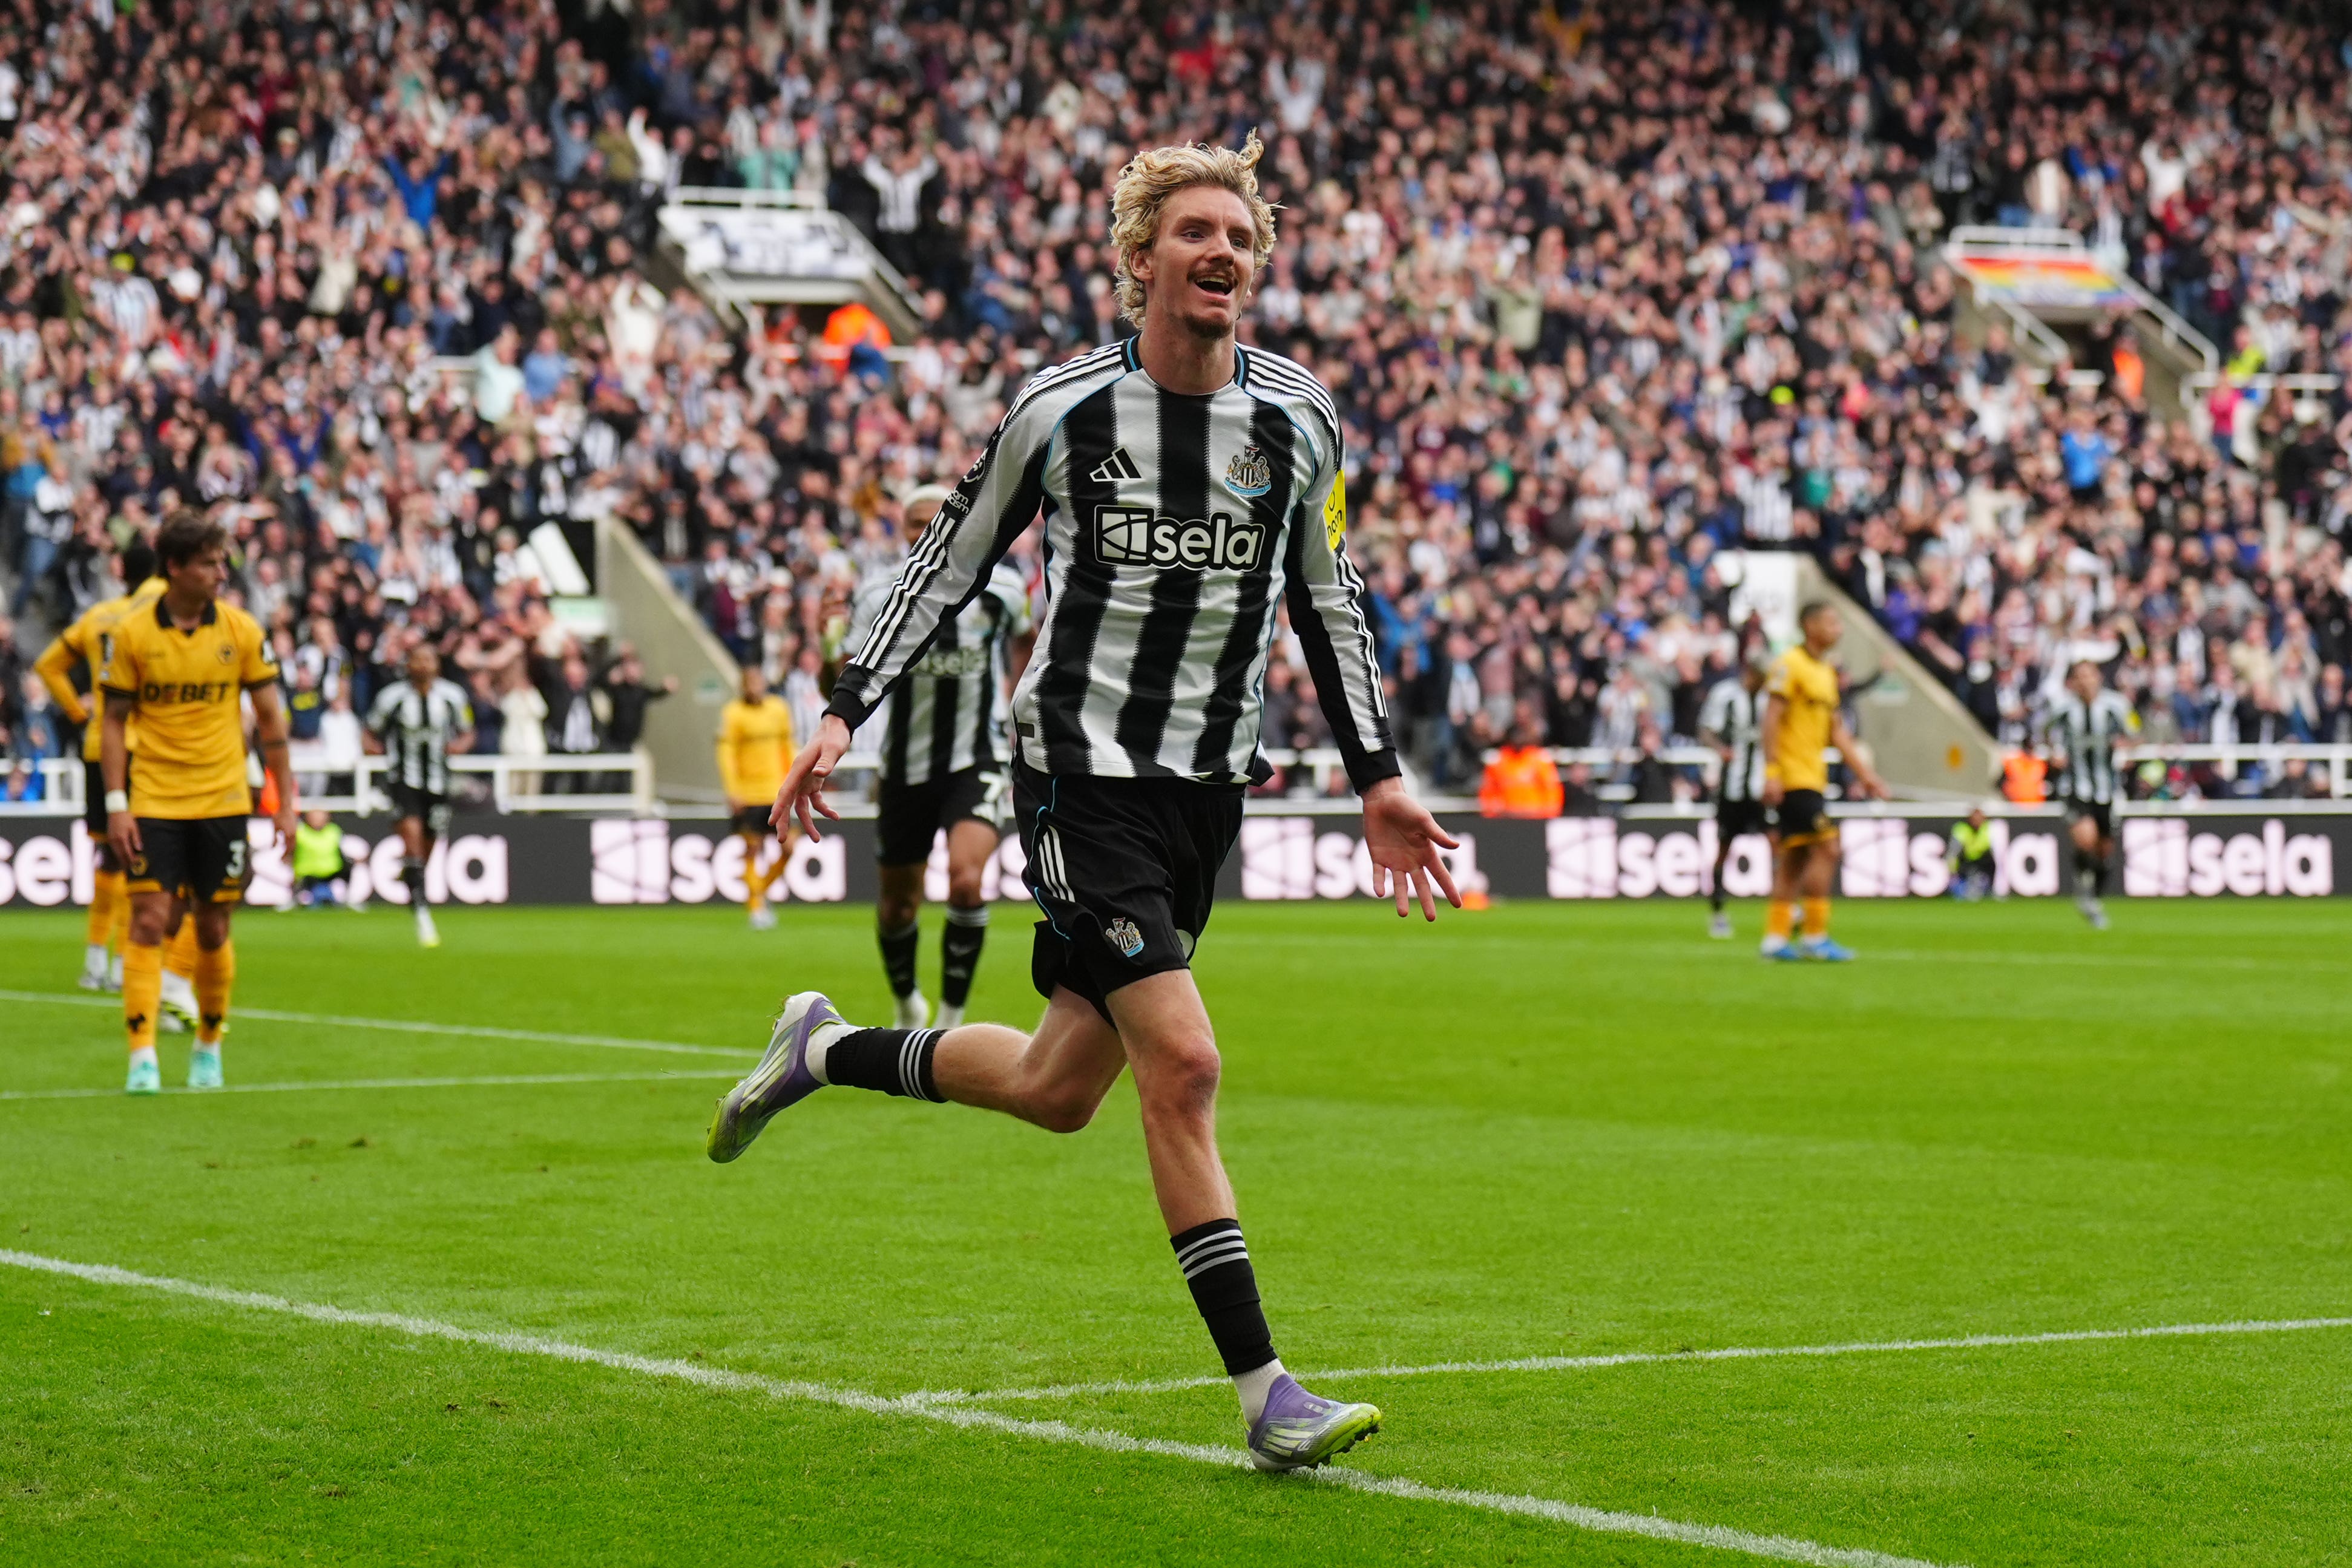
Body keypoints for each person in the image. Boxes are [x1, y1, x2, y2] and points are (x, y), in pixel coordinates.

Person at [708, 133, 1462, 1473]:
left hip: (1203, 793)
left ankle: (820, 1047)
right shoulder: (1058, 411)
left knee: (1061, 1088)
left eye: (1238, 233)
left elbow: (1324, 597)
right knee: (1185, 1064)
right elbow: (943, 564)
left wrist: (1378, 774)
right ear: (1138, 260)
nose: (1221, 250)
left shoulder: (1296, 418)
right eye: (1193, 233)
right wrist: (840, 709)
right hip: (1075, 776)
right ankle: (1265, 1391)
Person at [99, 510, 296, 1094]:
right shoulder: (133, 635)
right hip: (155, 797)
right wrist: (116, 802)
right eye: (209, 563)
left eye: (221, 560)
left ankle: (209, 1046)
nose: (220, 572)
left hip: (223, 798)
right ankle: (142, 1057)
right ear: (175, 567)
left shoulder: (240, 630)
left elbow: (269, 718)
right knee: (149, 919)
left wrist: (284, 798)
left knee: (212, 928)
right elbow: (112, 721)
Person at [832, 481, 1032, 1026]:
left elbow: (1027, 638)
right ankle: (905, 1002)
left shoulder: (1001, 588)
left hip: (978, 756)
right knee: (899, 902)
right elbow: (848, 665)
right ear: (902, 530)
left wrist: (1020, 696)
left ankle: (950, 1015)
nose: (925, 532)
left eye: (933, 521)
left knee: (967, 879)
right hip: (903, 765)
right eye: (914, 524)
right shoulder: (878, 592)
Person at [32, 537, 163, 992]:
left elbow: (48, 664)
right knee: (138, 857)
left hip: (97, 745)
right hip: (142, 742)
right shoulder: (154, 611)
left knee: (109, 855)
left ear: (120, 570)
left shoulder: (98, 616)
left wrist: (78, 710)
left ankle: (94, 962)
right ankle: (128, 957)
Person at [1759, 602, 1888, 961]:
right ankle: (1815, 935)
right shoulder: (1790, 665)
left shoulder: (1826, 672)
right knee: (1829, 847)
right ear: (1810, 626)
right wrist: (1771, 772)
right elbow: (1771, 720)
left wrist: (1867, 776)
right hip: (1792, 777)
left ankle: (1775, 938)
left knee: (1796, 858)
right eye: (1832, 622)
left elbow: (1837, 733)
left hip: (1813, 777)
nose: (1839, 629)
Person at [365, 642, 475, 948]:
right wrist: (373, 749)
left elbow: (468, 730)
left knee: (429, 844)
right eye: (419, 659)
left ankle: (412, 878)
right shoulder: (393, 698)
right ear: (409, 665)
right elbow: (370, 730)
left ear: (437, 665)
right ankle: (422, 910)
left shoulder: (452, 696)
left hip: (439, 782)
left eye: (430, 659)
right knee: (412, 835)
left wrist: (461, 745)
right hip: (404, 780)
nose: (424, 665)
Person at [2044, 659, 2137, 929]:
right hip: (2075, 787)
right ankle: (2082, 884)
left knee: (2105, 850)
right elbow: (2043, 732)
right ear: (2073, 681)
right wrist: (2053, 753)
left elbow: (2136, 732)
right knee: (2086, 840)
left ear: (2098, 678)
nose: (2085, 681)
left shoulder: (2116, 706)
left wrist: (2126, 745)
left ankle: (2092, 897)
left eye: (2089, 675)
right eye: (2079, 676)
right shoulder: (2062, 708)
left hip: (2107, 788)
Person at [714, 664, 797, 930]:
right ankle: (757, 908)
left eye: (759, 683)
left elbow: (788, 748)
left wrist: (793, 782)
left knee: (789, 847)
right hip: (748, 794)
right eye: (750, 684)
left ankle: (758, 892)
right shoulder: (733, 713)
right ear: (743, 686)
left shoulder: (779, 709)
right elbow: (726, 756)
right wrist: (733, 789)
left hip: (776, 791)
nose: (755, 688)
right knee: (752, 849)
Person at [1698, 657, 1768, 940]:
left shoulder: (1770, 699)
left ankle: (1788, 909)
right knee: (1724, 848)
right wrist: (1720, 749)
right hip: (1732, 787)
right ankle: (1717, 911)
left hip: (1763, 785)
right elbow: (1705, 731)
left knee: (1778, 843)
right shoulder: (1724, 695)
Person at [290, 808, 349, 907]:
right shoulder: (300, 832)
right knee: (304, 900)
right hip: (307, 876)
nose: (317, 821)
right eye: (314, 818)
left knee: (339, 893)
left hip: (332, 875)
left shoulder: (334, 831)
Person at [1947, 806, 1996, 900]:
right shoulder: (1962, 829)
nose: (1977, 822)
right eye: (1975, 819)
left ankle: (1989, 891)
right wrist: (1953, 872)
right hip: (1966, 860)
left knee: (1992, 864)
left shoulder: (1988, 828)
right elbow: (1953, 853)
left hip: (1982, 860)